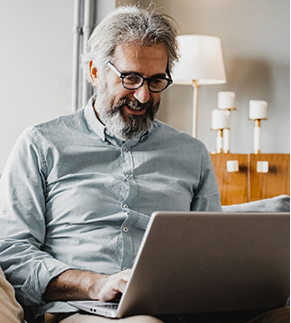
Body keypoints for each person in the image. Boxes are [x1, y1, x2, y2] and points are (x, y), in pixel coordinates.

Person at [0, 4, 288, 323]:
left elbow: (214, 251)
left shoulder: (191, 153)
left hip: (180, 309)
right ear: (96, 71)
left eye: (155, 81)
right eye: (131, 77)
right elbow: (12, 252)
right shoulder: (41, 144)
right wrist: (96, 284)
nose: (143, 96)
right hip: (81, 309)